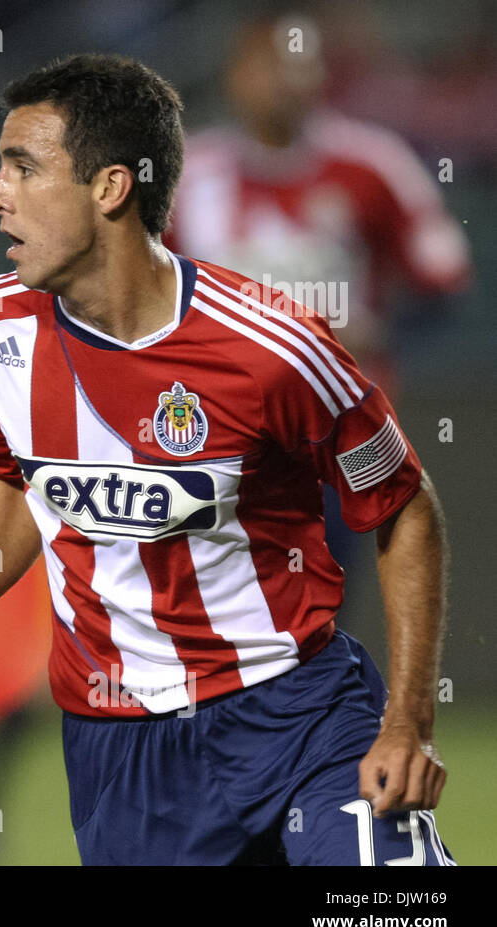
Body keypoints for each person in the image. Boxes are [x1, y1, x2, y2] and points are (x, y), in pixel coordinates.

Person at [0, 53, 454, 865]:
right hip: (122, 755)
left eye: (23, 168)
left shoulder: (274, 348)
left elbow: (404, 504)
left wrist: (407, 721)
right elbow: (18, 485)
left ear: (109, 188)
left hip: (298, 718)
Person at [165, 14, 471, 589]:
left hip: (341, 423)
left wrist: (376, 329)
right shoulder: (189, 174)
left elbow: (444, 275)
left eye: (298, 64)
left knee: (323, 595)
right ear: (236, 76)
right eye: (269, 65)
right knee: (215, 604)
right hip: (216, 423)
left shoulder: (373, 163)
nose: (284, 81)